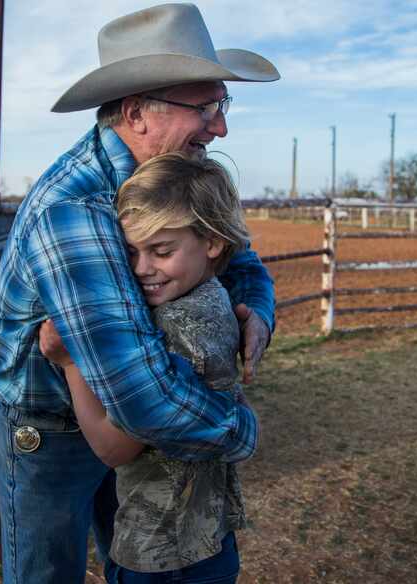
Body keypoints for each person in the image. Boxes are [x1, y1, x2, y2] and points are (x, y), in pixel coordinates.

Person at [0, 4, 279, 583]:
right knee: (48, 572)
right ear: (138, 113)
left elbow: (242, 258)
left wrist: (258, 313)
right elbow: (142, 399)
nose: (220, 127)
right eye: (207, 106)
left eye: (223, 104)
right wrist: (238, 431)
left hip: (109, 411)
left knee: (135, 552)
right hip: (48, 421)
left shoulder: (176, 176)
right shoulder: (75, 207)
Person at [48, 153, 252, 583]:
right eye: (131, 253)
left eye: (161, 250)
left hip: (161, 554)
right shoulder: (212, 299)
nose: (142, 269)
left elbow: (115, 448)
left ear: (212, 242)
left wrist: (69, 362)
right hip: (206, 538)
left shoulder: (176, 327)